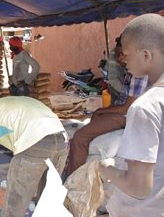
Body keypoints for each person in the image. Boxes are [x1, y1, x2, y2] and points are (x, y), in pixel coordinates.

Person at [99, 14, 164, 217]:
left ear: (146, 55)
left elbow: (139, 187)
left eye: (126, 54)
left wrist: (107, 169)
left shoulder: (145, 107)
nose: (123, 60)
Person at [64, 41, 149, 177]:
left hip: (126, 117)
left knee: (80, 137)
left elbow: (128, 108)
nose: (120, 58)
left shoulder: (140, 75)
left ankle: (73, 180)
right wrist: (104, 111)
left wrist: (102, 111)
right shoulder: (131, 73)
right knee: (89, 125)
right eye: (119, 55)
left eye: (123, 54)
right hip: (122, 113)